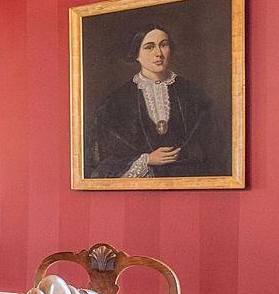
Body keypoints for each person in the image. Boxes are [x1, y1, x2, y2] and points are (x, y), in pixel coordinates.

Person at [85, 26, 224, 179]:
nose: (158, 53)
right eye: (149, 47)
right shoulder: (116, 102)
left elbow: (214, 148)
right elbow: (105, 161)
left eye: (163, 45)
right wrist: (147, 160)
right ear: (136, 53)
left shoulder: (194, 94)